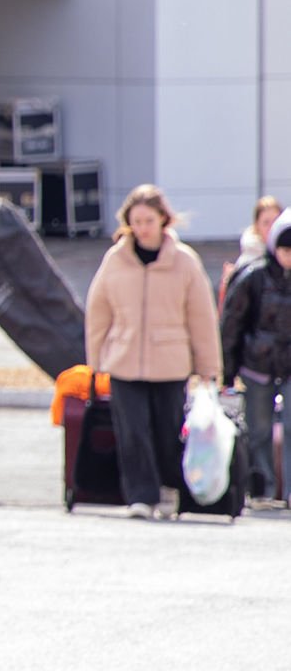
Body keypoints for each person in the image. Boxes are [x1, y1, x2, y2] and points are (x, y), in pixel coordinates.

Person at [84, 184, 222, 519]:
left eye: (149, 220)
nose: (143, 228)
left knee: (167, 432)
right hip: (124, 361)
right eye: (137, 222)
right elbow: (98, 310)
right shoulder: (115, 260)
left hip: (170, 364)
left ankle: (169, 490)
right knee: (132, 432)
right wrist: (96, 359)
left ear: (163, 219)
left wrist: (208, 367)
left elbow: (201, 317)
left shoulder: (185, 262)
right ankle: (140, 497)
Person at [220, 207, 291, 507]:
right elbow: (232, 324)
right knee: (258, 430)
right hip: (257, 366)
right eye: (285, 250)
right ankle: (261, 488)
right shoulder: (253, 276)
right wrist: (227, 370)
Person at [220, 196, 282, 307]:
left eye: (275, 221)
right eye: (266, 223)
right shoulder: (247, 261)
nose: (272, 227)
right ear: (257, 226)